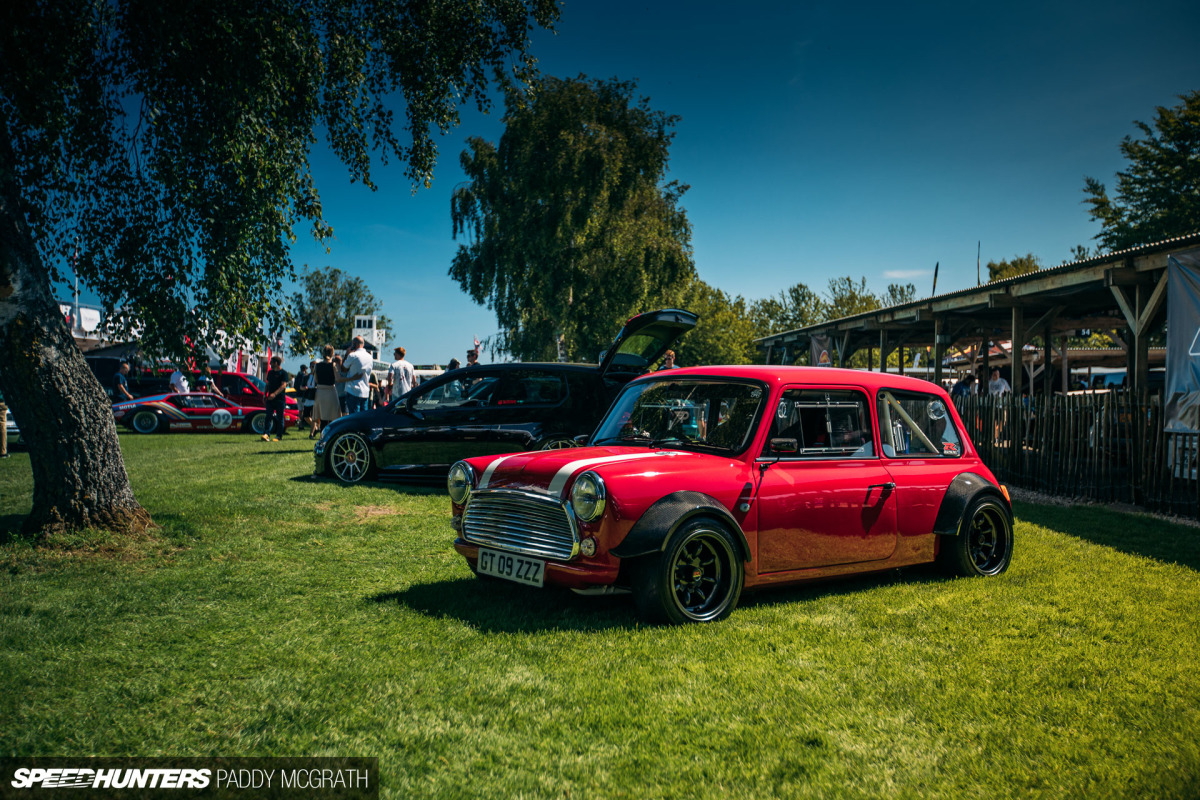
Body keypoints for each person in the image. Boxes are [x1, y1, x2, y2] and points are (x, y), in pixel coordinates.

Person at [311, 345, 341, 438]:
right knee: (333, 417)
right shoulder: (333, 365)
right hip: (331, 391)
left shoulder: (317, 365)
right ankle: (331, 437)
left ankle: (322, 437)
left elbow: (316, 380)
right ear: (332, 353)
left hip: (320, 392)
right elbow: (338, 379)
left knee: (323, 417)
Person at [339, 337, 373, 415]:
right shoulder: (370, 357)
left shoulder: (353, 355)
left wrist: (347, 354)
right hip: (365, 390)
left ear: (354, 344)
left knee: (354, 416)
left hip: (353, 389)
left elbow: (343, 369)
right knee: (363, 416)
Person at [262, 355, 290, 442]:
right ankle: (266, 434)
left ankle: (279, 435)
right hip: (270, 399)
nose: (270, 364)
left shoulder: (283, 373)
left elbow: (283, 386)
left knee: (280, 417)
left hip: (280, 399)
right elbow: (268, 384)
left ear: (276, 363)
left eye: (271, 362)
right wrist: (265, 394)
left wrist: (274, 394)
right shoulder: (270, 373)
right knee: (268, 416)